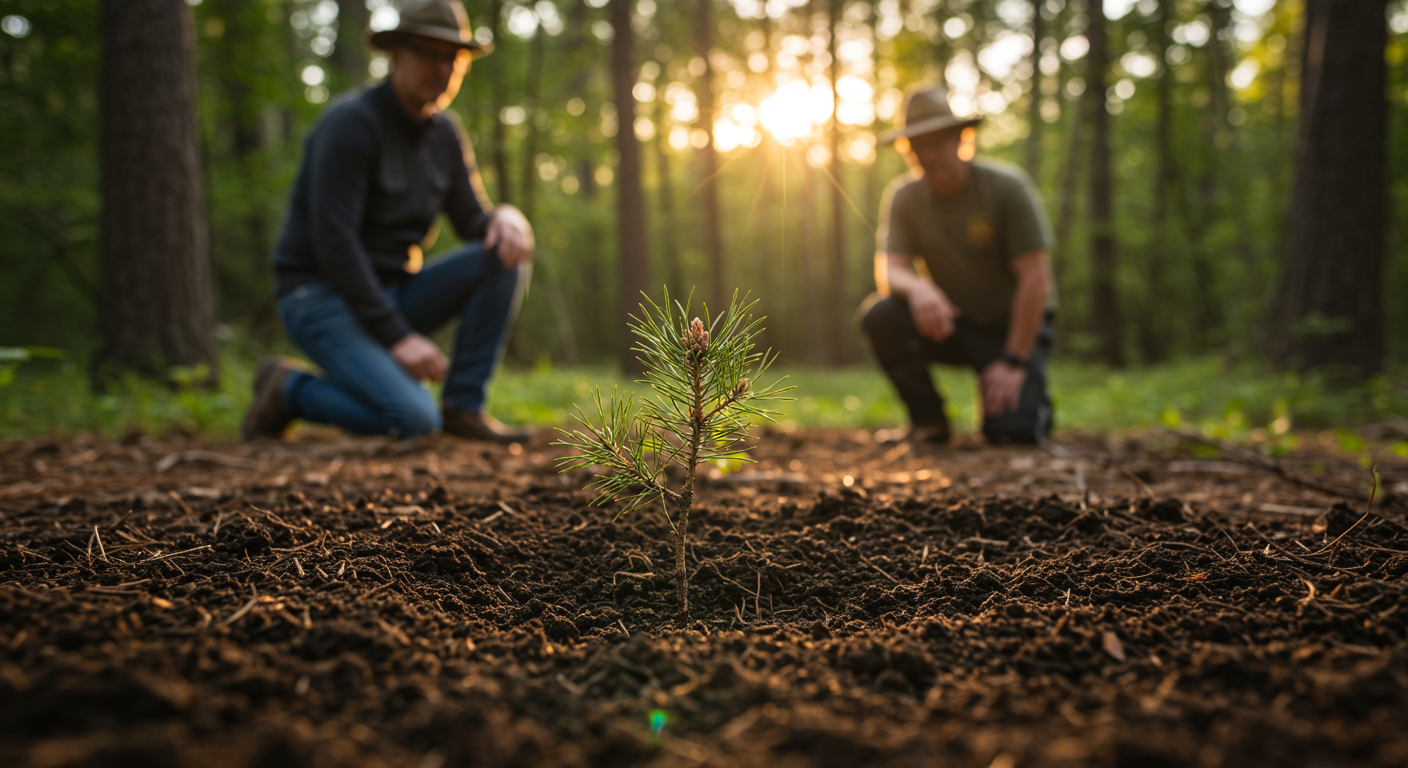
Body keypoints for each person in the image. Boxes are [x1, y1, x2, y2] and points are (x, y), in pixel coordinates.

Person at [242, 0, 534, 444]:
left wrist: (508, 215)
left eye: (452, 58)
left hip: (391, 291)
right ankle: (289, 390)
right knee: (413, 420)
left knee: (503, 256)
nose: (442, 69)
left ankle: (463, 407)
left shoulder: (446, 134)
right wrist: (399, 339)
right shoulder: (350, 125)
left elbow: (476, 222)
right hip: (319, 295)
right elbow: (335, 245)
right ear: (395, 53)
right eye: (429, 53)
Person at [859, 84, 1056, 445]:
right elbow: (889, 269)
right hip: (954, 324)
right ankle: (929, 422)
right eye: (918, 147)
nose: (929, 155)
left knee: (1011, 434)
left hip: (1013, 327)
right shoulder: (904, 197)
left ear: (961, 138)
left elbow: (1036, 281)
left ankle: (1027, 403)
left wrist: (1012, 361)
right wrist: (919, 289)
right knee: (881, 316)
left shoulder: (1007, 188)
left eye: (936, 143)